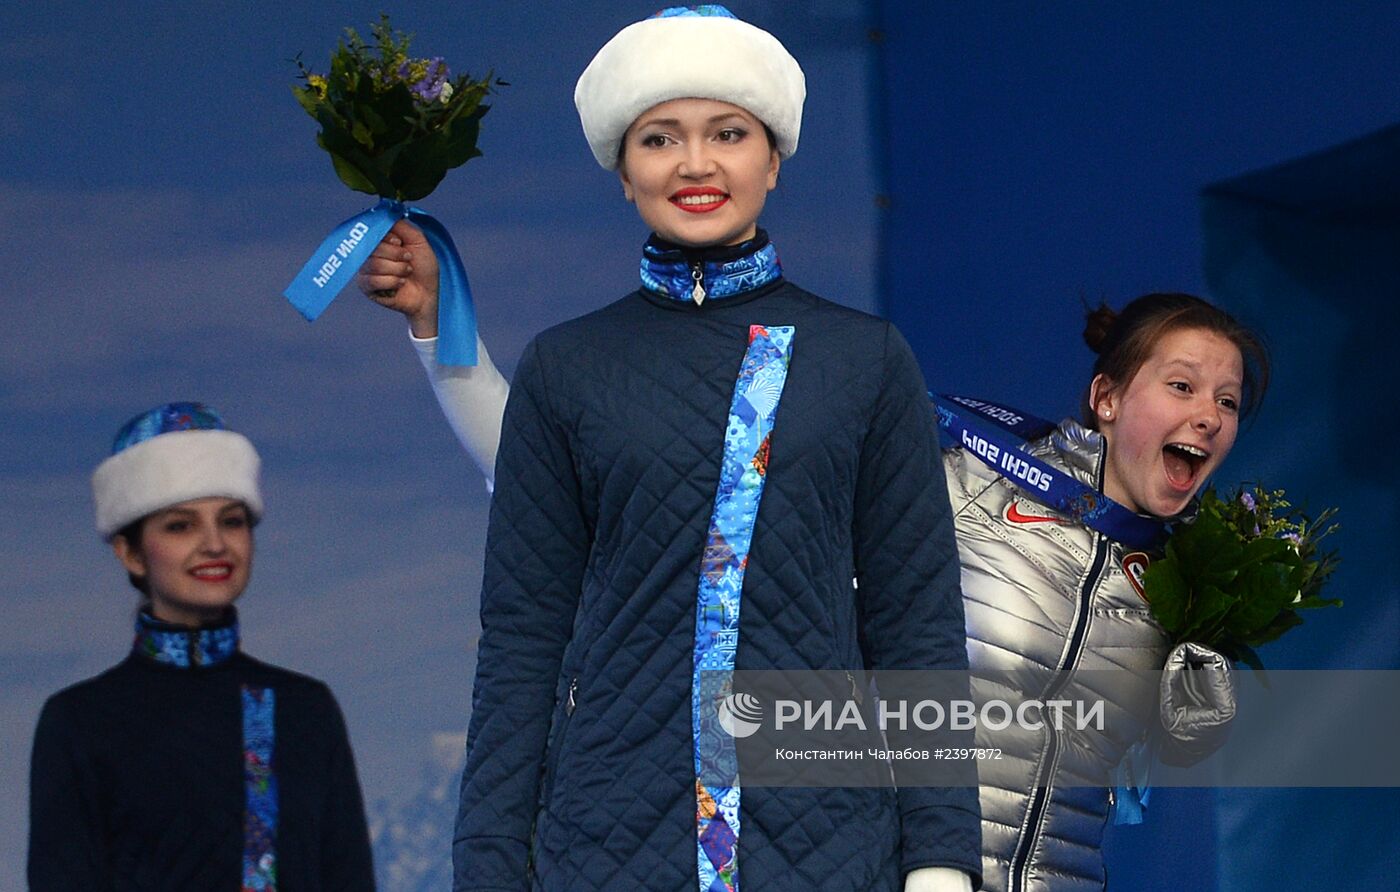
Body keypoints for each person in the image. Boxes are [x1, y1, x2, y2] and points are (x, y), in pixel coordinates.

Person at [361, 7, 980, 892]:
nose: (695, 163)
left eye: (728, 133)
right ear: (623, 170)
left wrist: (942, 859)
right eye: (660, 138)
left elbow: (915, 626)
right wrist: (489, 862)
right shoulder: (567, 366)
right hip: (609, 838)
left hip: (829, 844)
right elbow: (523, 639)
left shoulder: (864, 358)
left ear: (773, 159)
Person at [941, 292, 1265, 892]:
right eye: (1182, 386)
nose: (1210, 416)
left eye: (1227, 401)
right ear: (1107, 399)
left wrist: (1199, 711)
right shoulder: (966, 488)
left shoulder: (1183, 585)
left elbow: (1163, 755)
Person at [28, 402, 376, 891]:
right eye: (180, 525)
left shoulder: (306, 709)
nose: (215, 544)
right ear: (129, 551)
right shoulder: (81, 722)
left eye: (232, 521)